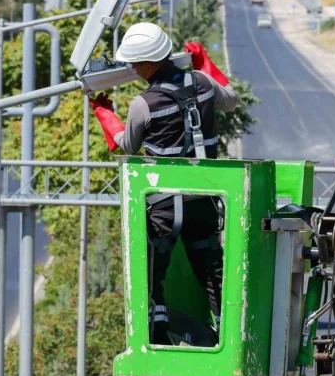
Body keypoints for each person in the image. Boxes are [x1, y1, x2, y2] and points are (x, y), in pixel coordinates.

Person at [89, 23, 238, 345]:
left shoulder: (144, 103)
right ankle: (231, 336)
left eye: (134, 64)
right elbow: (231, 100)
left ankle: (155, 340)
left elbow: (126, 145)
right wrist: (205, 64)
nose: (131, 69)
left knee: (154, 273)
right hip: (203, 200)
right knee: (212, 271)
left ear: (148, 64)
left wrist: (104, 113)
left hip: (164, 209)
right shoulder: (204, 82)